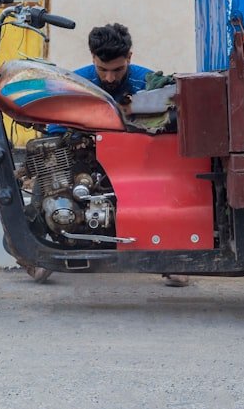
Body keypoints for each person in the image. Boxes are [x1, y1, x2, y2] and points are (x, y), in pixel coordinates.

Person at [44, 23, 190, 288]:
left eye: (118, 70)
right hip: (87, 168)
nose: (110, 79)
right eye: (103, 70)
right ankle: (41, 248)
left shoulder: (148, 84)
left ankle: (172, 260)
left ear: (130, 58)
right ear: (92, 58)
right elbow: (52, 131)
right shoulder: (76, 84)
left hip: (139, 167)